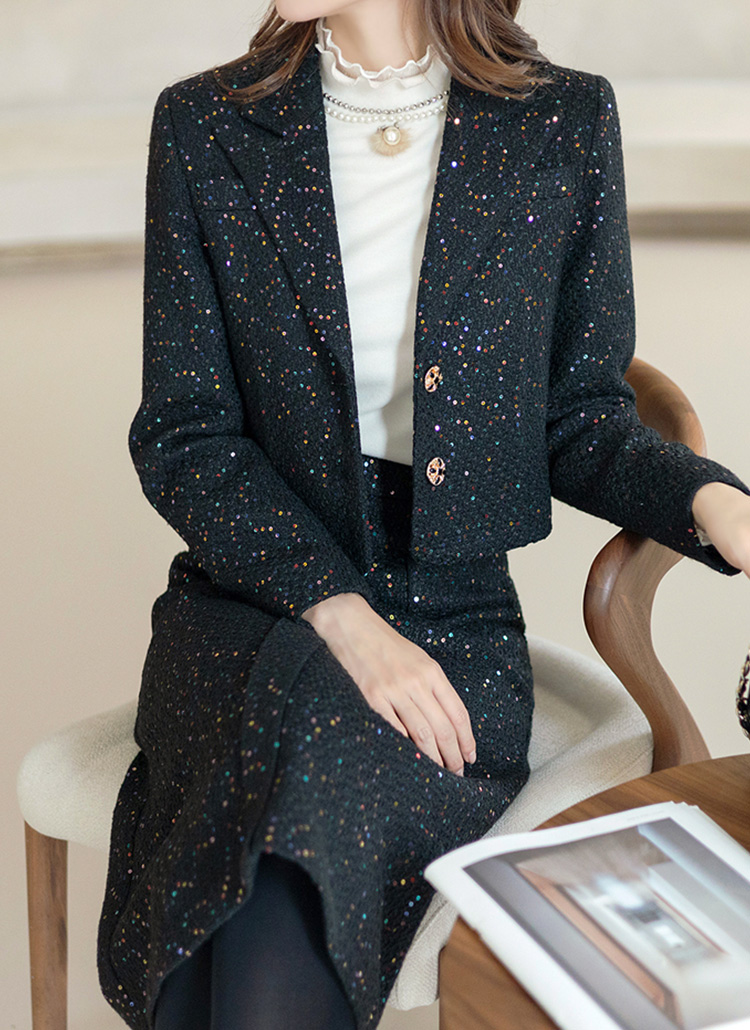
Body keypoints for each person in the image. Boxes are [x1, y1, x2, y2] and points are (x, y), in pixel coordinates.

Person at [97, 2, 750, 1028]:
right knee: (294, 756)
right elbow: (184, 435)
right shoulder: (205, 125)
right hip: (255, 599)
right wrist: (343, 617)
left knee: (293, 812)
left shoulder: (564, 122)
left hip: (449, 621)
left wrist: (713, 501)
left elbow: (576, 418)